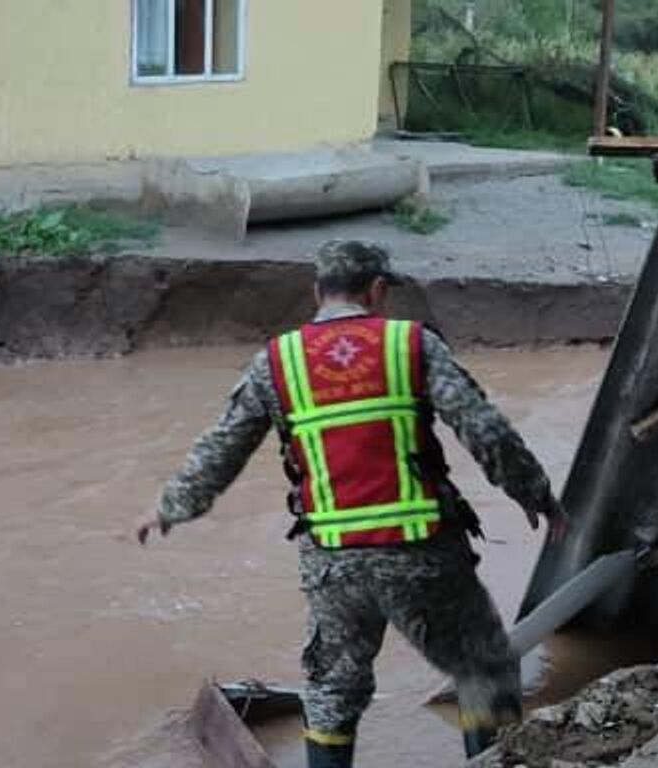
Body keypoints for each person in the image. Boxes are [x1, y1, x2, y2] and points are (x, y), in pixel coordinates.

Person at [134, 240, 567, 766]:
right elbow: (485, 431)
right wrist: (536, 495)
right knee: (484, 670)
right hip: (423, 553)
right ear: (378, 290)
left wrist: (170, 507)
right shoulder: (409, 345)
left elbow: (222, 448)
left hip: (332, 561)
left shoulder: (278, 361)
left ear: (318, 292)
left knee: (332, 693)